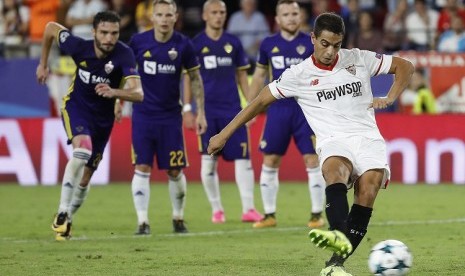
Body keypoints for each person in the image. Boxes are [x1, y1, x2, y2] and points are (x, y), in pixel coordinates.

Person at [207, 12, 414, 276]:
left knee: (368, 190)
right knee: (334, 171)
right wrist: (224, 134)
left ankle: (334, 265)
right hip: (332, 139)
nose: (330, 51)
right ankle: (338, 233)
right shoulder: (298, 75)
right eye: (325, 44)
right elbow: (259, 101)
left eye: (336, 45)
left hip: (367, 137)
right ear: (313, 38)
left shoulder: (358, 58)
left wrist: (390, 95)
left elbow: (405, 65)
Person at [36, 10, 144, 241]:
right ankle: (63, 211)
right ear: (94, 32)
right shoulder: (78, 46)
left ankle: (67, 221)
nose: (109, 38)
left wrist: (115, 92)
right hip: (77, 108)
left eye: (114, 33)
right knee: (82, 149)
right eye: (104, 32)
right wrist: (43, 63)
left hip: (102, 121)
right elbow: (50, 28)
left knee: (85, 179)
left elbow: (138, 93)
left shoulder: (124, 55)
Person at [128, 0, 207, 235]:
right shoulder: (138, 42)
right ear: (152, 17)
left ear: (175, 17)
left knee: (174, 170)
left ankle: (178, 217)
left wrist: (198, 110)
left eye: (168, 15)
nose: (163, 19)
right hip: (142, 115)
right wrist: (118, 101)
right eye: (159, 14)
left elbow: (195, 79)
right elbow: (125, 73)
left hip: (170, 117)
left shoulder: (183, 45)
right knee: (142, 167)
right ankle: (142, 222)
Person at [248, 0, 325, 229]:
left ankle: (316, 215)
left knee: (312, 160)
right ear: (277, 19)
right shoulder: (268, 44)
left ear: (300, 16)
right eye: (286, 14)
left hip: (306, 110)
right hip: (278, 110)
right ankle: (269, 215)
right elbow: (259, 76)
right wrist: (250, 109)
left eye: (295, 13)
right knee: (270, 159)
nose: (291, 17)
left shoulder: (311, 43)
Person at [183, 0, 262, 224]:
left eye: (222, 12)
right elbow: (189, 79)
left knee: (244, 160)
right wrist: (188, 108)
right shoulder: (196, 44)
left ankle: (248, 208)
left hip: (233, 111)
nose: (219, 16)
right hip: (206, 113)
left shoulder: (233, 42)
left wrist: (251, 106)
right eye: (214, 12)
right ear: (205, 15)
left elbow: (242, 77)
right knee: (209, 163)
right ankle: (217, 209)